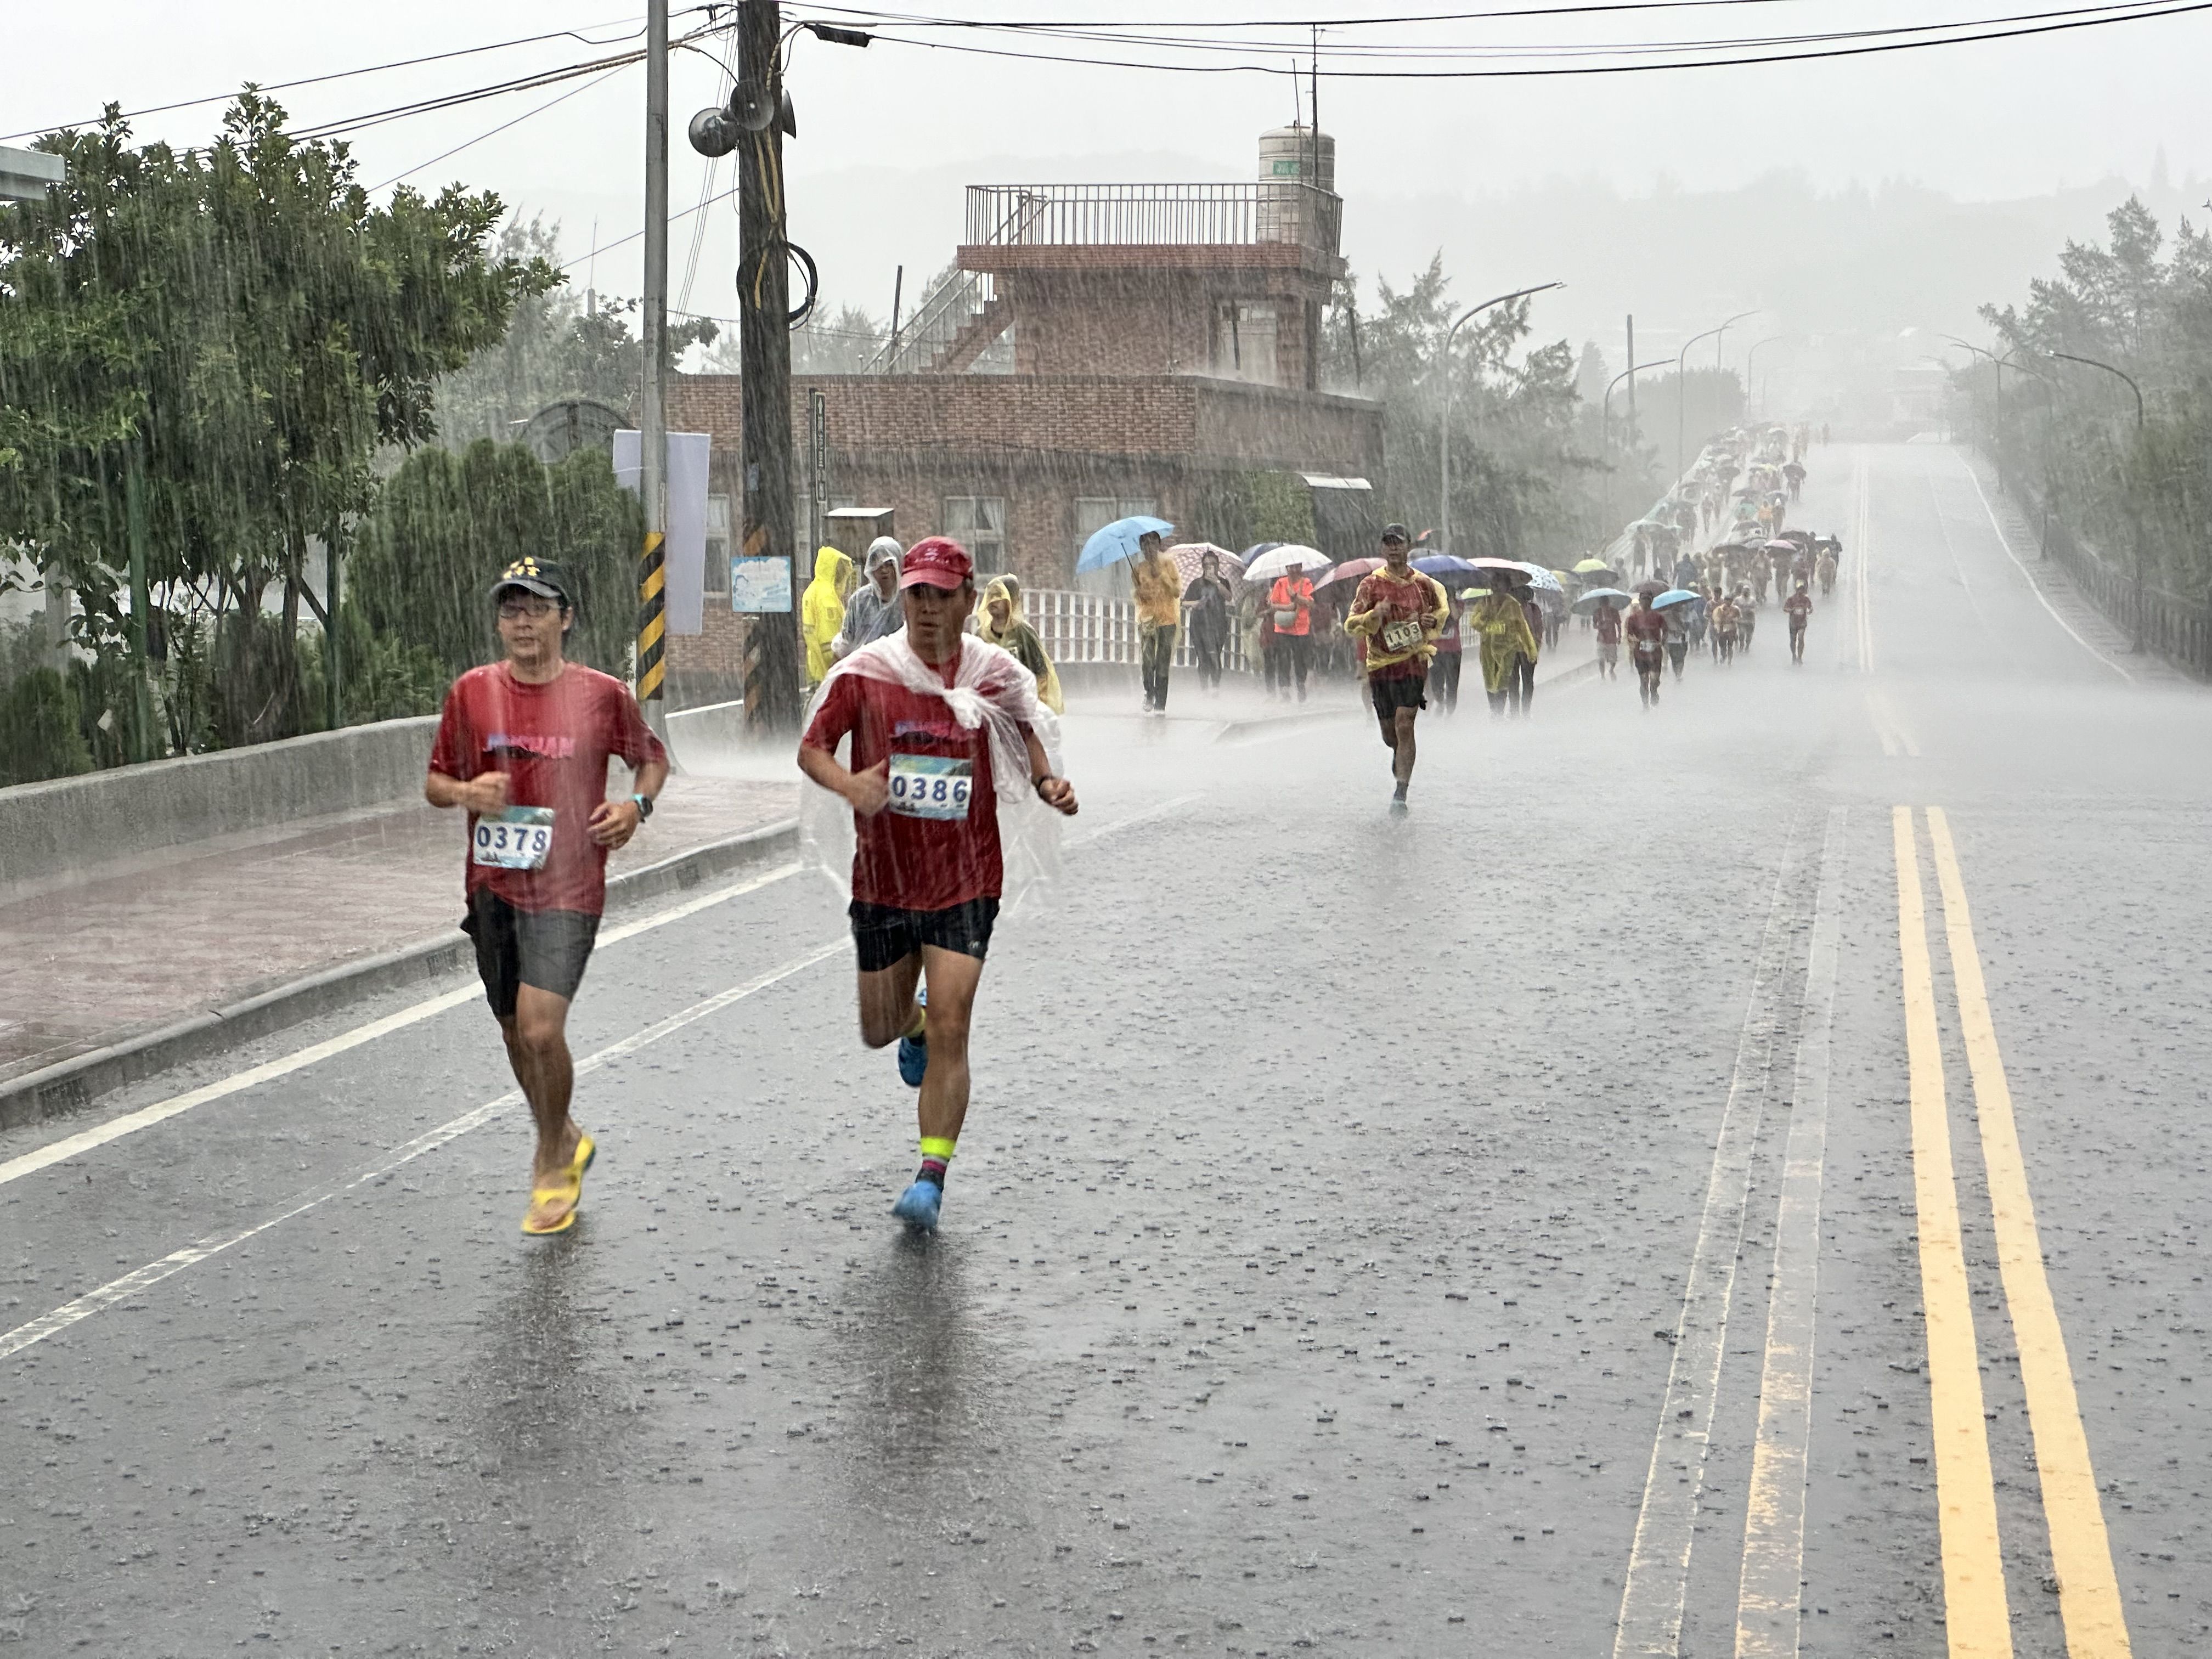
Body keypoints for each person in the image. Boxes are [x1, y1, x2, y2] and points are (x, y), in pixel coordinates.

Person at [797, 537, 1079, 1233]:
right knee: (879, 1027)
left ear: (966, 599)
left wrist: (1046, 782)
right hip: (886, 878)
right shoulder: (867, 672)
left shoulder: (993, 671)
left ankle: (931, 1173)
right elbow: (811, 748)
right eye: (916, 593)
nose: (926, 607)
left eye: (940, 595)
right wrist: (851, 784)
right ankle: (910, 1023)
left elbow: (1027, 726)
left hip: (966, 877)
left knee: (957, 1024)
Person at [426, 558, 668, 1235]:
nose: (522, 621)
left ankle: (549, 1161)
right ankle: (564, 1135)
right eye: (510, 609)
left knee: (540, 1027)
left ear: (566, 618)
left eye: (537, 607)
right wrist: (469, 794)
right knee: (512, 1030)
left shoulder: (601, 694)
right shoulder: (472, 693)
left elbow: (651, 757)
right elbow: (436, 782)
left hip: (570, 886)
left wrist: (636, 807)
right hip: (494, 884)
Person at [1344, 524, 1447, 813]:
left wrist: (1431, 623)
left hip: (1413, 661)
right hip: (1380, 664)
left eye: (1398, 543)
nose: (1393, 548)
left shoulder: (1425, 585)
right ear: (1381, 548)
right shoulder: (1371, 585)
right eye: (1387, 543)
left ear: (1407, 546)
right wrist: (1374, 614)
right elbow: (1351, 623)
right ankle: (1399, 754)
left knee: (1405, 723)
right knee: (1390, 733)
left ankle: (1401, 792)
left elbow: (1441, 614)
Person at [973, 574, 1065, 713]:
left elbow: (1040, 674)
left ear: (1012, 600)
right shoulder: (981, 636)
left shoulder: (1024, 633)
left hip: (1020, 705)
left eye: (999, 596)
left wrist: (1037, 705)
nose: (993, 601)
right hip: (991, 707)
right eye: (990, 595)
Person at [1466, 579, 1538, 718]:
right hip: (1487, 649)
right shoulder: (1484, 603)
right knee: (1490, 679)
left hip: (1507, 649)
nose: (1497, 588)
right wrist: (1484, 615)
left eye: (1500, 585)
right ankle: (1494, 710)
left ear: (1506, 587)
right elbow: (1475, 624)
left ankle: (1499, 711)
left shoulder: (1513, 605)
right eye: (1494, 585)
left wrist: (1530, 650)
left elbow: (1523, 629)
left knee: (1503, 680)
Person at [1130, 530, 1182, 713]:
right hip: (1147, 620)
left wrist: (1163, 576)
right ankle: (1149, 692)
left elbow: (1176, 592)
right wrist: (1140, 593)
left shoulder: (1168, 565)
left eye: (1152, 543)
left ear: (1159, 546)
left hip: (1167, 620)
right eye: (1145, 544)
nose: (1149, 548)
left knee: (1162, 662)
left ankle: (1161, 704)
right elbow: (1138, 596)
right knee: (1147, 660)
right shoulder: (1138, 569)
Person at [834, 538, 905, 661]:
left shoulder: (907, 598)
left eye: (889, 564)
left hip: (898, 672)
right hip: (862, 670)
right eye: (878, 564)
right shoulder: (859, 600)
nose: (884, 570)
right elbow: (846, 642)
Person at [1181, 550, 1236, 692]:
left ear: (1218, 566)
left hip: (1217, 624)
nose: (1209, 567)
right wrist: (1196, 603)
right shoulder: (1196, 584)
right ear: (1202, 567)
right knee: (1203, 657)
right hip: (1199, 624)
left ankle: (1215, 688)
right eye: (1206, 565)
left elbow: (1229, 597)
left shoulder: (1223, 582)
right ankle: (1204, 688)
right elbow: (1184, 603)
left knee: (1215, 655)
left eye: (1213, 564)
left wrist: (1216, 582)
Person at [803, 546, 855, 688]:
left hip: (826, 664)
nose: (843, 575)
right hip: (828, 664)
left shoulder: (823, 593)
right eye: (841, 570)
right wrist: (825, 669)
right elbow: (817, 633)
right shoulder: (823, 594)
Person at [1264, 560, 1316, 701]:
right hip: (1282, 627)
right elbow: (1273, 604)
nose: (1294, 570)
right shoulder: (1280, 583)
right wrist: (1289, 608)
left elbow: (1310, 603)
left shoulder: (1306, 583)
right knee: (1283, 659)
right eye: (1291, 567)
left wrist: (1295, 597)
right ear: (1286, 568)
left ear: (1301, 568)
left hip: (1301, 628)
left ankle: (1301, 686)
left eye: (1296, 567)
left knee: (1300, 660)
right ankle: (1285, 690)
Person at [1625, 589, 1668, 708]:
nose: (1645, 602)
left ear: (1652, 601)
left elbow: (1665, 630)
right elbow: (1630, 634)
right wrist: (1634, 640)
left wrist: (1662, 642)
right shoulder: (1633, 618)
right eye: (1643, 600)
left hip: (1655, 653)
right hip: (1640, 653)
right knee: (1644, 680)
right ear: (1640, 601)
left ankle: (1654, 691)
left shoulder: (1658, 616)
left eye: (1648, 600)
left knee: (1654, 679)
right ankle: (1645, 703)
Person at [1512, 578, 1545, 716]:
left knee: (1528, 680)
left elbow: (1539, 629)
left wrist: (1536, 646)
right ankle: (1514, 710)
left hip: (1528, 649)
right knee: (1513, 681)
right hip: (1512, 649)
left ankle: (1526, 710)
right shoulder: (1509, 609)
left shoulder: (1533, 609)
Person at [1430, 585, 1465, 713]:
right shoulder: (1432, 602)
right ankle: (1440, 701)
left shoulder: (1458, 603)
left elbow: (1456, 616)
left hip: (1453, 649)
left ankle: (1450, 711)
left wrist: (1450, 600)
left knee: (1452, 683)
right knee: (1436, 683)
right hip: (1435, 648)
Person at [1592, 594, 1623, 680]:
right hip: (1601, 639)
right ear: (1600, 604)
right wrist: (1601, 627)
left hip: (1612, 639)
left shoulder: (1614, 612)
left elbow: (1619, 624)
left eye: (1606, 604)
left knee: (1613, 659)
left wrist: (1619, 636)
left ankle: (1611, 670)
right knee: (1601, 659)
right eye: (1603, 604)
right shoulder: (1597, 612)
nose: (1605, 606)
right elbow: (1594, 625)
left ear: (1609, 603)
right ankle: (1602, 676)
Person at [1784, 580, 1813, 664]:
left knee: (1801, 637)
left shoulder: (1806, 599)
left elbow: (1810, 608)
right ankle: (1794, 654)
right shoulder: (1791, 599)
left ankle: (1800, 656)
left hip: (1802, 622)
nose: (1801, 591)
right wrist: (1791, 610)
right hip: (1793, 622)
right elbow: (1785, 608)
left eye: (1802, 589)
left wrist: (1809, 611)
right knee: (1793, 640)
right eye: (1799, 589)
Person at [1663, 596, 1690, 681]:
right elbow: (1663, 626)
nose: (1678, 606)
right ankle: (1677, 674)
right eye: (1676, 604)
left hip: (1684, 638)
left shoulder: (1685, 613)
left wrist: (1682, 625)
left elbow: (1689, 624)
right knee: (1674, 657)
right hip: (1672, 639)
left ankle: (1679, 672)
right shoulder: (1666, 615)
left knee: (1682, 656)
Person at [1712, 590, 1741, 664]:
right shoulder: (1720, 609)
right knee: (1723, 647)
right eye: (1727, 600)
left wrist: (1734, 620)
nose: (1728, 602)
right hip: (1722, 630)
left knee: (1730, 646)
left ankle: (1729, 662)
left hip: (1731, 630)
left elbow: (1739, 618)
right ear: (1724, 601)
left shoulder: (1736, 609)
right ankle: (1724, 656)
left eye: (1730, 600)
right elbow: (1716, 619)